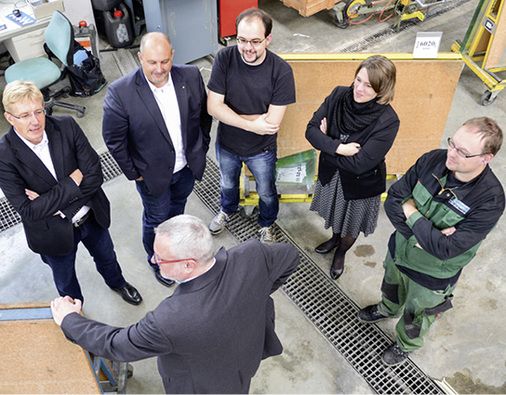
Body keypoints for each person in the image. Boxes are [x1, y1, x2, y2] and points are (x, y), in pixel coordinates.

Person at [51, 214, 300, 394]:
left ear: (188, 264)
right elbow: (290, 257)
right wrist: (255, 295)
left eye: (160, 258)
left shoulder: (169, 320)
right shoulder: (252, 254)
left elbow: (116, 345)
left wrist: (69, 319)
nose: (152, 259)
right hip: (244, 364)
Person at [358, 117, 504, 366]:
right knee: (391, 287)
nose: (452, 154)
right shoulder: (432, 160)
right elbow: (393, 200)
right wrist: (425, 237)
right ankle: (388, 309)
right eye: (452, 143)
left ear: (485, 158)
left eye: (462, 152)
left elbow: (446, 249)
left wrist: (411, 210)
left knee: (417, 315)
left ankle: (406, 345)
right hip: (399, 251)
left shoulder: (489, 200)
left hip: (432, 275)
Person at [0, 80, 141, 305]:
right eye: (24, 115)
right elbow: (29, 210)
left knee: (107, 257)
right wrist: (72, 182)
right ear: (10, 118)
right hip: (51, 232)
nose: (35, 121)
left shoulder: (66, 126)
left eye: (39, 111)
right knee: (65, 280)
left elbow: (94, 175)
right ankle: (75, 312)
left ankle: (118, 283)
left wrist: (54, 204)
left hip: (91, 215)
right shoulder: (4, 156)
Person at [102, 32, 212, 287]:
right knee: (156, 220)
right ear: (140, 58)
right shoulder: (120, 93)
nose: (159, 69)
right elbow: (114, 141)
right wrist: (135, 173)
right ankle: (157, 260)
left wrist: (200, 147)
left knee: (177, 212)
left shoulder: (191, 76)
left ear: (173, 55)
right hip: (151, 176)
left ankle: (175, 249)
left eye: (164, 61)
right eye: (152, 62)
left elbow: (204, 118)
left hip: (186, 168)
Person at [305, 55, 399, 280]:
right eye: (358, 80)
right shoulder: (338, 95)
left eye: (368, 85)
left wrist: (326, 144)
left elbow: (360, 164)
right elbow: (310, 131)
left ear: (382, 89)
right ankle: (334, 239)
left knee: (351, 225)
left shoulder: (388, 120)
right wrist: (340, 148)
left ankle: (341, 251)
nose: (359, 89)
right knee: (334, 213)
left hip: (360, 186)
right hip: (333, 176)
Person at [207, 8, 296, 244]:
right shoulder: (225, 58)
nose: (248, 48)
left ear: (268, 39)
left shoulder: (281, 71)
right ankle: (228, 210)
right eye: (242, 40)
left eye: (256, 41)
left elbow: (271, 122)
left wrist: (231, 114)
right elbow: (213, 107)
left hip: (262, 150)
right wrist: (253, 123)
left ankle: (266, 223)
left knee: (266, 192)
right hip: (226, 145)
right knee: (227, 184)